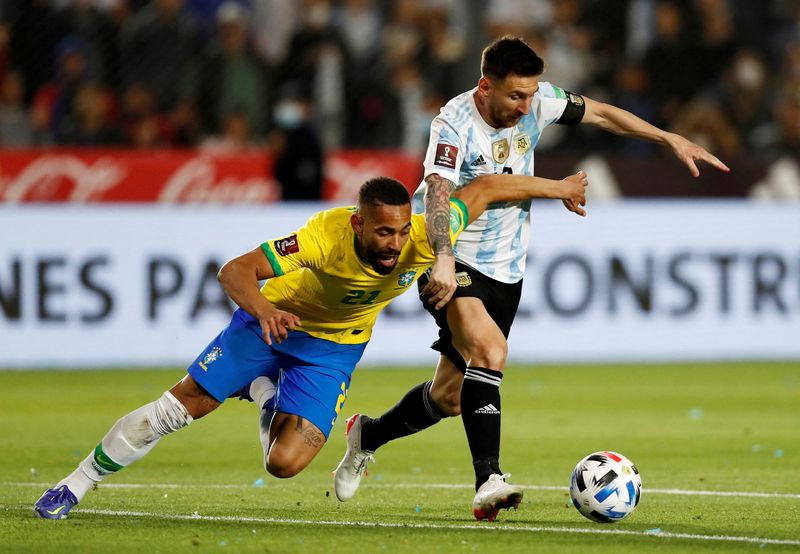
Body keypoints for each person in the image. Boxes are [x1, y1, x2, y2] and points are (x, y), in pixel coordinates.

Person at [33, 169, 589, 520]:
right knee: (179, 410)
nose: (394, 244)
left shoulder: (423, 235)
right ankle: (77, 483)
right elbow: (235, 271)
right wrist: (265, 308)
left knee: (285, 465)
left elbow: (489, 187)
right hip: (271, 325)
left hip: (333, 351)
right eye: (382, 233)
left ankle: (267, 397)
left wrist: (559, 188)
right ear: (356, 224)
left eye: (400, 232)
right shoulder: (323, 235)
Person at [333, 35, 730, 522]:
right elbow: (437, 192)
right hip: (449, 254)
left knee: (449, 397)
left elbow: (603, 113)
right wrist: (439, 255)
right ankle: (489, 481)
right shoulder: (453, 124)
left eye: (531, 94)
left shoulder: (539, 102)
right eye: (515, 96)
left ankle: (366, 436)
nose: (527, 106)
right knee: (490, 352)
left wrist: (669, 138)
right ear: (485, 87)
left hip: (507, 267)